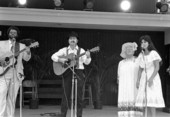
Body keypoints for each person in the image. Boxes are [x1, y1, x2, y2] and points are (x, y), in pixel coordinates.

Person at [51, 31, 91, 117]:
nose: (72, 40)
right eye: (71, 38)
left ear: (77, 41)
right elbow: (53, 56)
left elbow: (87, 63)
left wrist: (88, 56)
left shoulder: (81, 50)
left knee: (79, 96)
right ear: (68, 41)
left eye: (74, 38)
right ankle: (63, 115)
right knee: (65, 95)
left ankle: (79, 115)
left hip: (78, 72)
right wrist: (61, 60)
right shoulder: (64, 50)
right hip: (67, 72)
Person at [0, 26, 31, 117]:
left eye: (15, 32)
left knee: (12, 98)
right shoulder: (1, 44)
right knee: (1, 95)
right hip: (3, 73)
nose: (13, 34)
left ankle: (10, 115)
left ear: (17, 35)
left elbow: (26, 58)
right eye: (11, 32)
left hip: (16, 73)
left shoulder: (21, 46)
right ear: (8, 34)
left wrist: (28, 52)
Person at [135, 35, 165, 117]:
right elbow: (140, 69)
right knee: (145, 101)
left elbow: (157, 67)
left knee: (151, 99)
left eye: (145, 42)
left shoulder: (153, 53)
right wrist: (138, 80)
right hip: (144, 78)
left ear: (149, 43)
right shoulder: (141, 55)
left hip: (153, 77)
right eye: (142, 42)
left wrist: (151, 79)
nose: (143, 43)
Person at [117, 42, 142, 117]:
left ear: (134, 50)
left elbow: (141, 73)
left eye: (131, 48)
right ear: (124, 51)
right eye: (127, 48)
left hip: (135, 86)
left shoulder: (138, 60)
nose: (129, 50)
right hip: (124, 87)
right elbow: (118, 77)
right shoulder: (121, 63)